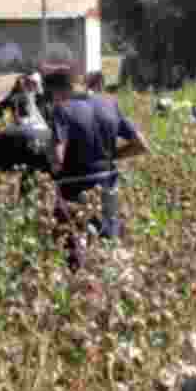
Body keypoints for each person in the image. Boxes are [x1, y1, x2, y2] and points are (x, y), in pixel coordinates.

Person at [46, 65, 149, 270]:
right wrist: (112, 156)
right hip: (107, 182)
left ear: (58, 91)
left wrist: (48, 158)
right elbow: (141, 145)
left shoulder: (62, 110)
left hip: (74, 189)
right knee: (109, 243)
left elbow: (58, 160)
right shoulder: (110, 104)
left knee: (73, 250)